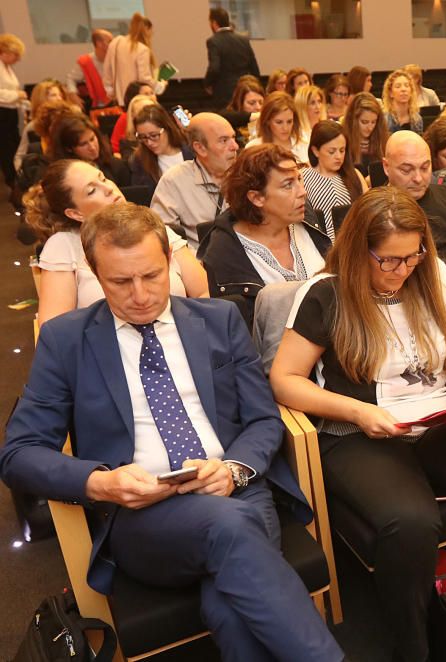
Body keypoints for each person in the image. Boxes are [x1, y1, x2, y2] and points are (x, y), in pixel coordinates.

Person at [2, 203, 345, 662]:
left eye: (152, 276)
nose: (141, 295)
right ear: (96, 275)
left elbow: (264, 419)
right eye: (121, 282)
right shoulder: (67, 340)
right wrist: (101, 482)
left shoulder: (218, 319)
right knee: (230, 532)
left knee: (228, 607)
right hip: (143, 516)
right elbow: (19, 453)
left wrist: (234, 470)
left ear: (170, 261)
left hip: (235, 490)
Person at [269, 187, 446, 660]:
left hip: (436, 418)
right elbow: (285, 380)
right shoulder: (325, 293)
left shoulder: (429, 274)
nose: (402, 271)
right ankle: (413, 647)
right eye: (388, 261)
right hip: (361, 432)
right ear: (357, 250)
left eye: (412, 257)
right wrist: (357, 411)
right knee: (411, 521)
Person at [27, 160, 207, 325]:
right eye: (91, 191)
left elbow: (203, 293)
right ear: (76, 214)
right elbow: (54, 328)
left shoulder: (151, 227)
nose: (108, 189)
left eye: (103, 179)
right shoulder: (64, 246)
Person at [199, 144, 329, 316]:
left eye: (299, 179)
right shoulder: (224, 254)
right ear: (257, 198)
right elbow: (240, 330)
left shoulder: (305, 219)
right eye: (288, 185)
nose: (302, 192)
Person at [150, 113, 239, 251]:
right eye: (223, 140)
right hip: (203, 264)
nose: (235, 146)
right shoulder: (174, 181)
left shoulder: (247, 174)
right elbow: (162, 235)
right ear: (200, 148)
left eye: (233, 137)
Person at [303, 119, 368, 238]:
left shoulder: (354, 174)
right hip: (318, 244)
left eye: (342, 150)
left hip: (353, 243)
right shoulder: (303, 177)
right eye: (331, 151)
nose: (338, 156)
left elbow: (368, 211)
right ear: (316, 151)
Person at [50, 114, 131, 188]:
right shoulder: (63, 179)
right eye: (83, 144)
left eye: (92, 139)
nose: (92, 147)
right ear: (69, 149)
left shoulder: (117, 166)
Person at [104, 13, 166, 106]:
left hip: (119, 100)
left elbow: (107, 71)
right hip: (137, 101)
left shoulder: (116, 43)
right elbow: (144, 78)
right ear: (146, 29)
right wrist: (160, 86)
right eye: (151, 32)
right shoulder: (142, 49)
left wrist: (111, 91)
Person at [204, 7, 259, 109]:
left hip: (224, 92)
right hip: (244, 90)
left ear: (214, 23)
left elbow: (214, 68)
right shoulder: (243, 40)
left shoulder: (214, 41)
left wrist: (207, 84)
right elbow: (254, 67)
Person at [129, 104, 193, 188]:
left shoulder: (192, 150)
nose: (149, 142)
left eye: (154, 135)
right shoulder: (139, 160)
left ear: (167, 128)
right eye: (143, 137)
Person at [246, 91, 309, 163]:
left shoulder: (304, 144)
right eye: (279, 122)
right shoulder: (254, 148)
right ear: (267, 121)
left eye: (289, 121)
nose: (285, 128)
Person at [0, 34, 27, 188]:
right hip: (2, 113)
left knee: (12, 144)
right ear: (6, 52)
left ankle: (14, 176)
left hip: (9, 112)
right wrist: (17, 95)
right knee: (6, 147)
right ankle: (12, 179)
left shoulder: (6, 67)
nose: (18, 59)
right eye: (16, 55)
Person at [344, 92, 388, 179]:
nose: (370, 127)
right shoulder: (343, 141)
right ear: (353, 120)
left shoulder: (383, 140)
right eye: (364, 122)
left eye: (373, 122)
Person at [66, 29, 113, 110]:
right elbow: (71, 79)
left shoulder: (117, 59)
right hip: (98, 106)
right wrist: (73, 94)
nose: (114, 44)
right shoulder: (85, 61)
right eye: (110, 41)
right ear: (99, 44)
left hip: (117, 103)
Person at [383, 69, 423, 134]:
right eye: (398, 86)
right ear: (391, 93)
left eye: (407, 86)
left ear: (411, 91)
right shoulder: (384, 119)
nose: (403, 89)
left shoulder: (417, 119)